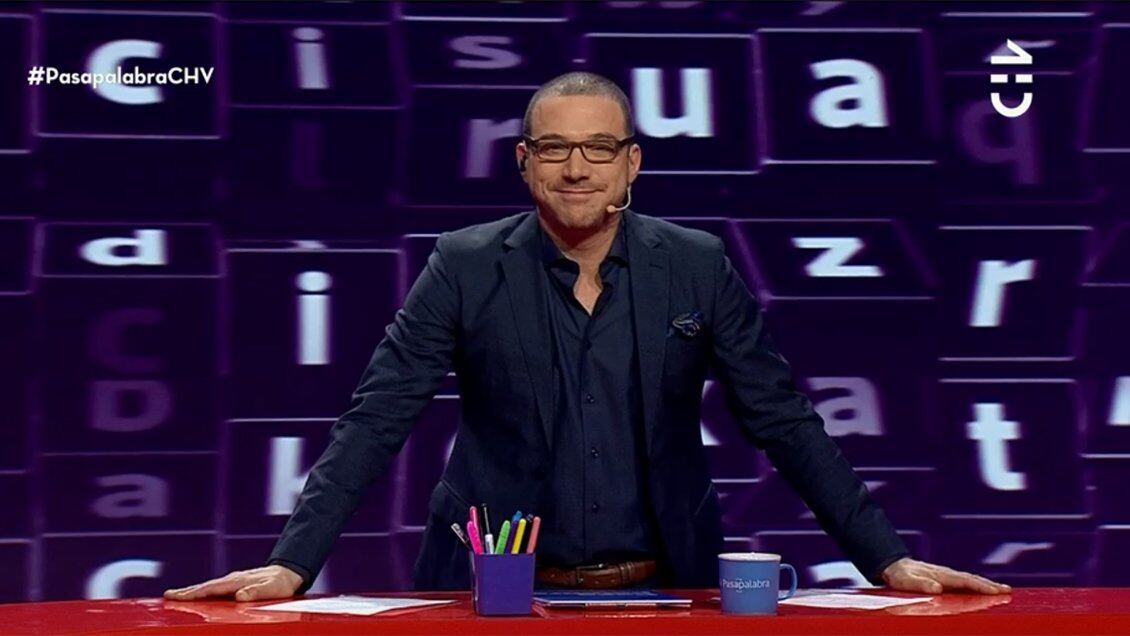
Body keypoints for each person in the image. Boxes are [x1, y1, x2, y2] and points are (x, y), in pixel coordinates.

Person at [165, 72, 1011, 602]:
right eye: (556, 149)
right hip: (491, 594)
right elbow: (375, 420)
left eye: (599, 148)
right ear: (524, 162)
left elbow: (783, 421)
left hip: (666, 589)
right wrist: (293, 565)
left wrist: (885, 560)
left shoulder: (696, 264)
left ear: (632, 162)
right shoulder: (463, 264)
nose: (577, 169)